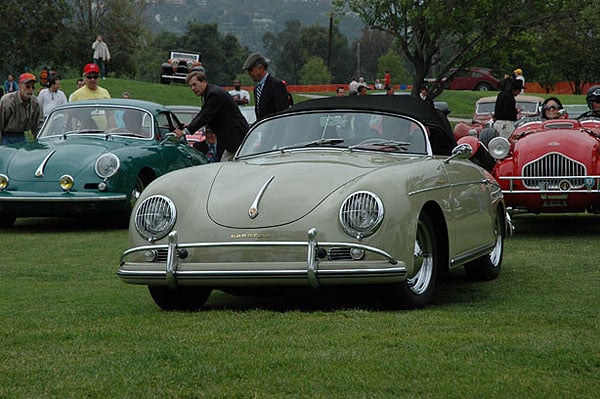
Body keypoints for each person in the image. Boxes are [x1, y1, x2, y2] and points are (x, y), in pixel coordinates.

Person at [173, 71, 248, 161]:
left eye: (195, 84)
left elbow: (205, 116)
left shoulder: (213, 94)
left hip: (236, 137)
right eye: (191, 86)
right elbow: (202, 113)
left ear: (204, 82)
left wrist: (185, 132)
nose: (193, 88)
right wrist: (189, 125)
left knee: (225, 167)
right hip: (229, 139)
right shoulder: (208, 93)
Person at [242, 53, 290, 121]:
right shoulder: (256, 89)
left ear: (261, 68)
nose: (249, 73)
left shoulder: (277, 85)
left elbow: (282, 113)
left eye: (251, 70)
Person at [0, 73, 42, 144]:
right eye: (27, 86)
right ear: (19, 86)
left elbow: (38, 127)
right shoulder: (7, 101)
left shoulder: (36, 103)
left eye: (33, 87)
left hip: (21, 135)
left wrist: (40, 142)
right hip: (5, 135)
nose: (30, 89)